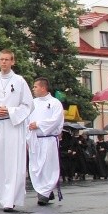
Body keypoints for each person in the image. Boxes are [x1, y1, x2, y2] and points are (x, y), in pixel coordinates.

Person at [0, 49, 33, 211]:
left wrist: (10, 111)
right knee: (0, 161)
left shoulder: (20, 81)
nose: (4, 62)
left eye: (7, 59)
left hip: (13, 125)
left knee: (13, 162)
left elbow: (28, 104)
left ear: (12, 62)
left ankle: (11, 198)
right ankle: (3, 196)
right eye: (1, 59)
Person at [26, 77, 64, 206]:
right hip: (34, 140)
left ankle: (45, 193)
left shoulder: (55, 103)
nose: (33, 89)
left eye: (35, 87)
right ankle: (43, 190)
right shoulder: (32, 103)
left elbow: (56, 120)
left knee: (48, 166)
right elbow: (26, 120)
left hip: (48, 140)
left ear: (43, 88)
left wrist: (39, 124)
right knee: (36, 167)